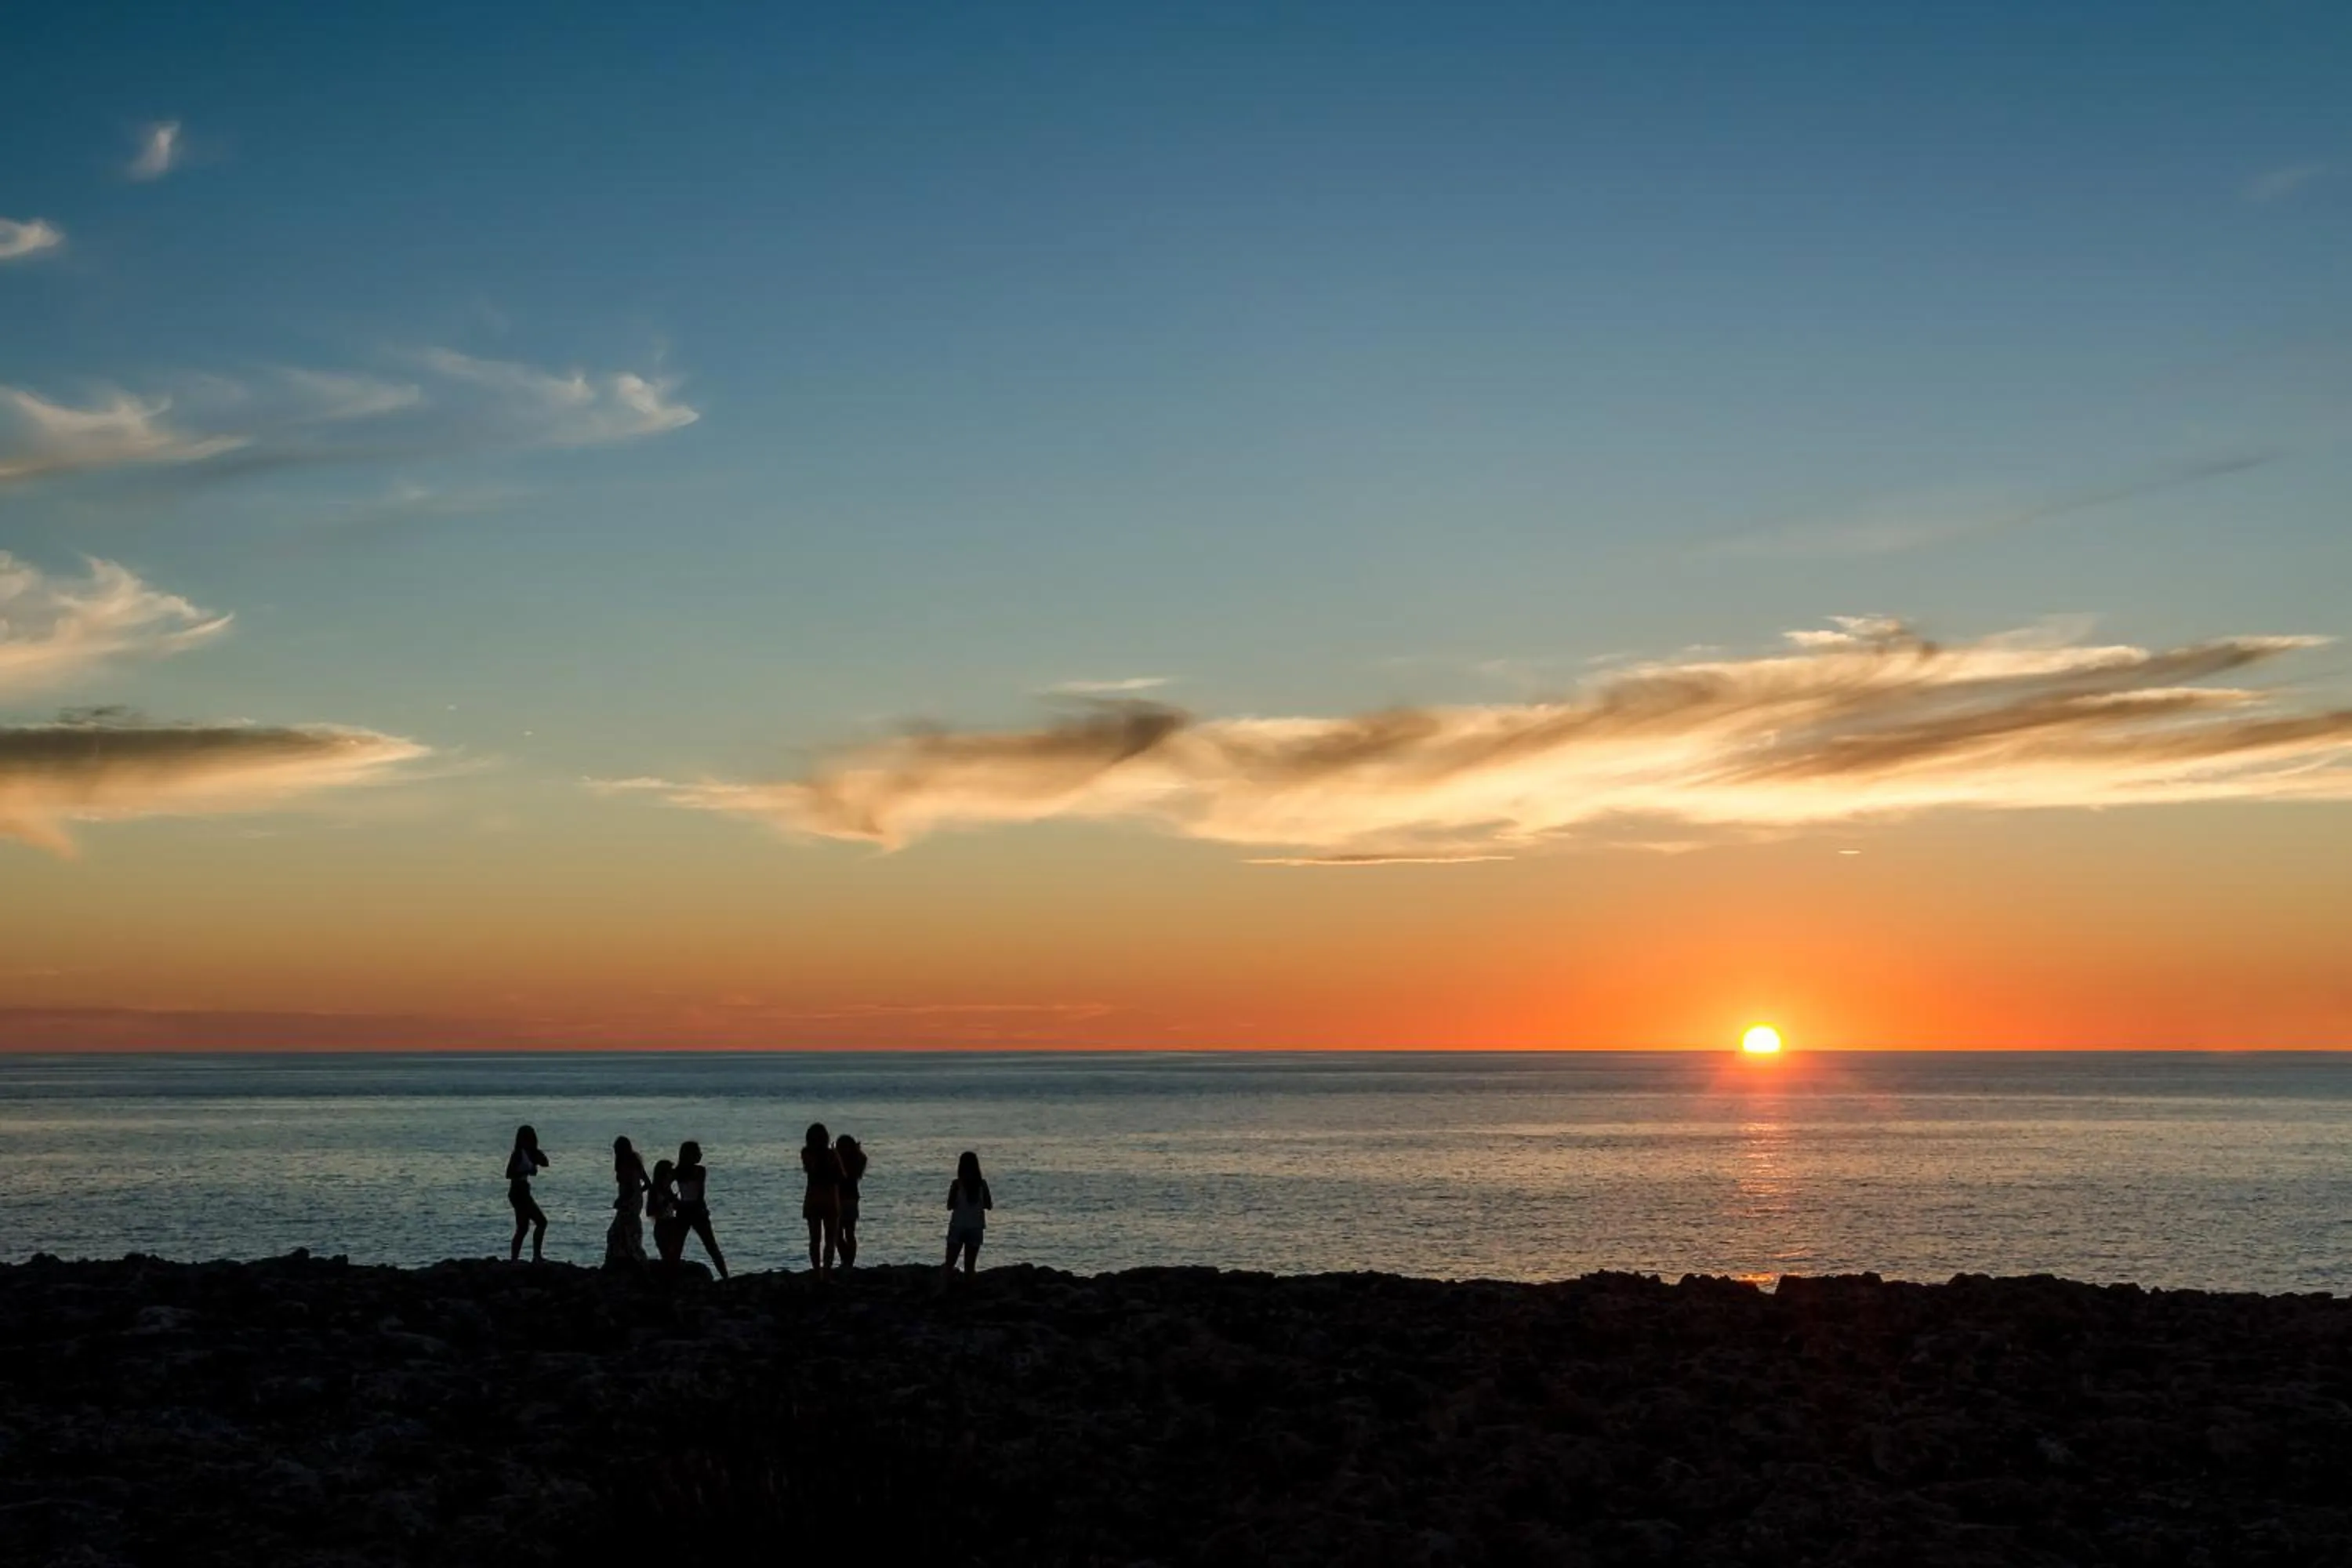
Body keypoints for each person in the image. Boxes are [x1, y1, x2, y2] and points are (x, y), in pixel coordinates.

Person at [673, 1140, 728, 1279]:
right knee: (710, 1246)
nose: (700, 1155)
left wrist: (676, 1202)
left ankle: (671, 1278)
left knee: (679, 1247)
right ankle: (725, 1277)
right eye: (698, 1152)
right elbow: (700, 1195)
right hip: (695, 1211)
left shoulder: (679, 1172)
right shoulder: (698, 1171)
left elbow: (663, 1185)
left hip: (686, 1210)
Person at [800, 1123, 844, 1275]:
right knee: (830, 1240)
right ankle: (826, 1272)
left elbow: (811, 1170)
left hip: (813, 1199)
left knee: (815, 1240)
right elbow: (841, 1176)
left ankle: (817, 1271)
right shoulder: (831, 1155)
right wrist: (835, 1156)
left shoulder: (807, 1153)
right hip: (830, 1201)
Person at [944, 1150, 992, 1276]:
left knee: (949, 1265)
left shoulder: (957, 1184)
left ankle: (944, 1290)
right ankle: (969, 1291)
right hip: (976, 1226)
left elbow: (950, 1206)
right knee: (970, 1268)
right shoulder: (982, 1185)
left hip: (958, 1226)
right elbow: (989, 1205)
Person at [506, 1125, 550, 1262]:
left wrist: (537, 1155)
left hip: (523, 1190)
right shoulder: (518, 1154)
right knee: (540, 1222)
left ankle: (516, 1259)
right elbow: (509, 1173)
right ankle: (535, 1256)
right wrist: (527, 1171)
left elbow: (545, 1163)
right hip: (518, 1191)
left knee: (523, 1227)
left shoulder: (530, 1153)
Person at [605, 1136, 650, 1269]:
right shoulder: (636, 1162)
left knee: (618, 1233)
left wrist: (623, 1199)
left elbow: (629, 1187)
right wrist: (638, 1193)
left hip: (628, 1203)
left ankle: (628, 1261)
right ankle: (629, 1259)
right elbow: (647, 1184)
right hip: (636, 1202)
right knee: (627, 1231)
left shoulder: (625, 1165)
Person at [832, 1134, 868, 1269]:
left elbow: (841, 1176)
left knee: (841, 1233)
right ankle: (848, 1262)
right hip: (850, 1198)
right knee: (847, 1233)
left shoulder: (849, 1163)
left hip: (843, 1198)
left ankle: (847, 1261)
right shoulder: (857, 1161)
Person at [648, 1157, 685, 1267]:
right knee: (668, 1257)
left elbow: (677, 1206)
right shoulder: (655, 1190)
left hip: (671, 1224)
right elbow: (650, 1211)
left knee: (673, 1258)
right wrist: (664, 1204)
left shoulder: (668, 1189)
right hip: (662, 1225)